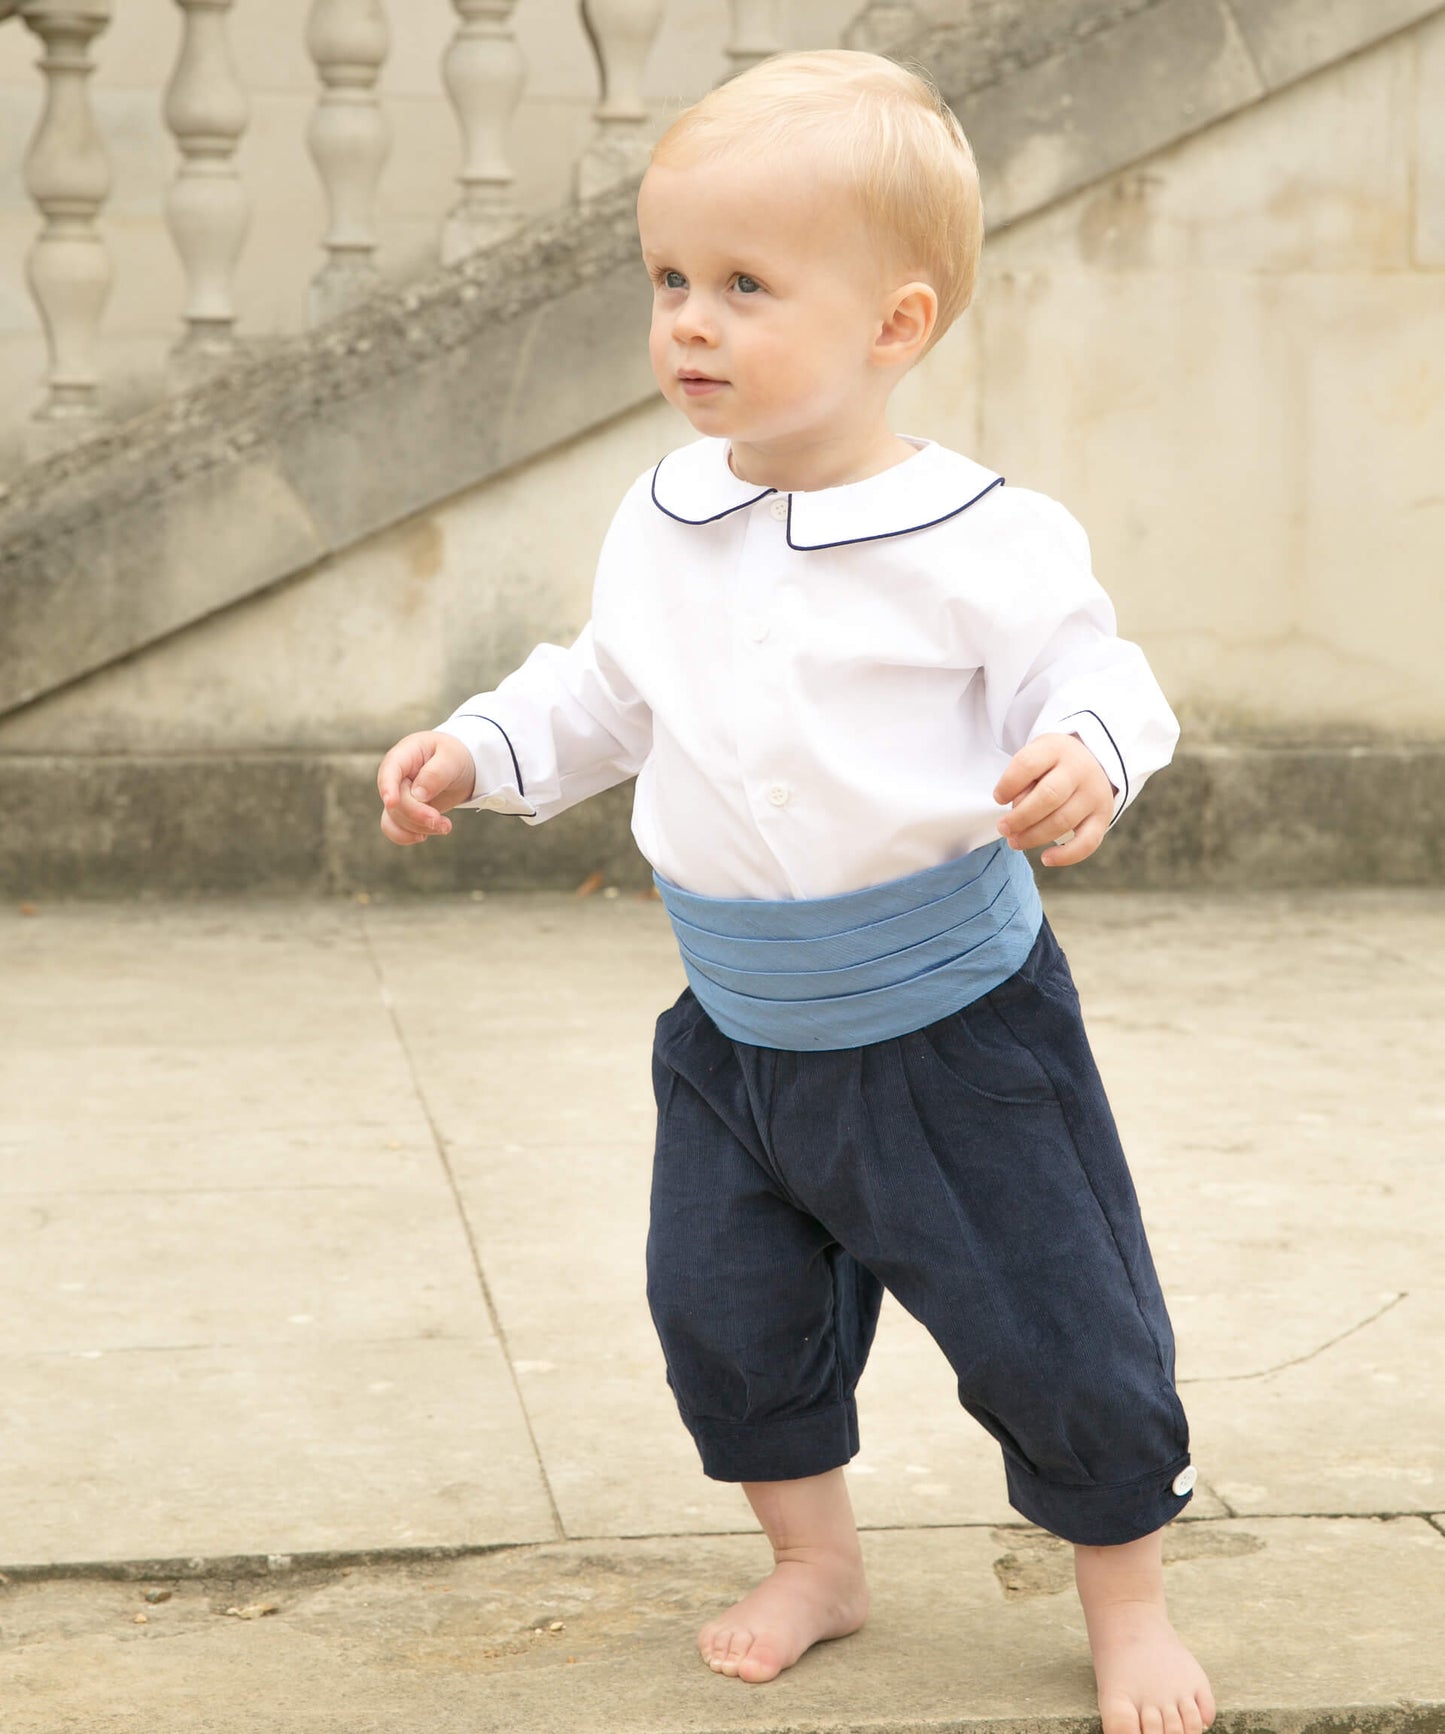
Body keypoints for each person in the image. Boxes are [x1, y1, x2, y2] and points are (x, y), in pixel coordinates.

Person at [376, 48, 1215, 1734]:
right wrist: (478, 748)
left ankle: (1124, 1601)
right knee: (724, 1313)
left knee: (1058, 1325)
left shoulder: (977, 535)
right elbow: (604, 691)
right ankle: (814, 1561)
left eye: (744, 287)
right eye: (668, 280)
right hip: (736, 1031)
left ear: (894, 324)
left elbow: (1100, 676)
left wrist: (1087, 753)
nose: (689, 322)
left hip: (952, 1031)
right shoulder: (664, 513)